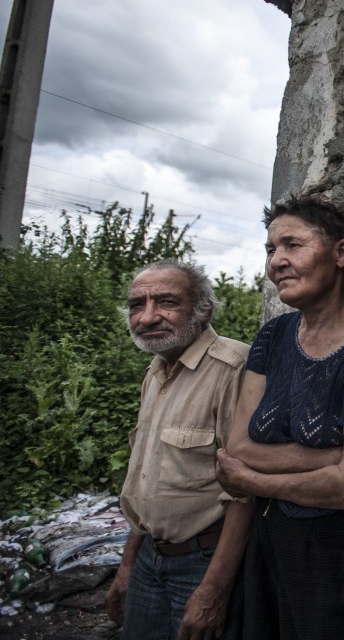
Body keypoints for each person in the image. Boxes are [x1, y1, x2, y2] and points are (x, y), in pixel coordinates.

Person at [215, 193, 344, 640]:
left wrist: (253, 481)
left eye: (292, 245)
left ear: (341, 253)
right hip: (269, 544)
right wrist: (336, 459)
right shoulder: (273, 336)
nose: (276, 261)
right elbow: (239, 446)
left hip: (339, 555)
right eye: (270, 250)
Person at [105, 259, 251, 640]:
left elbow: (245, 493)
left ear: (203, 310)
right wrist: (127, 567)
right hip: (148, 561)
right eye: (138, 304)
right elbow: (145, 479)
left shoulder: (233, 368)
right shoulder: (155, 372)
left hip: (202, 564)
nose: (148, 317)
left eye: (166, 302)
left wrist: (213, 591)